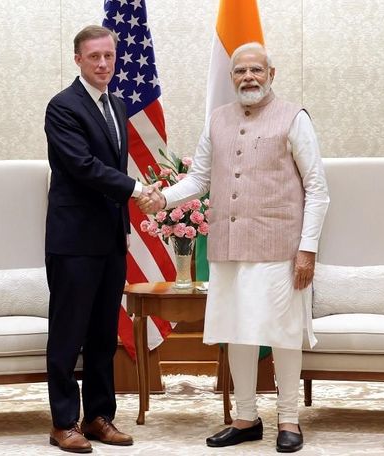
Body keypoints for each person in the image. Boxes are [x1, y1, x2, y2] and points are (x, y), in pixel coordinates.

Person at [137, 42, 329, 453]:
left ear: (271, 74)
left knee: (283, 333)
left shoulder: (294, 117)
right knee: (238, 331)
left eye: (256, 70)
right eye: (241, 71)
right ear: (231, 78)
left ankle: (289, 419)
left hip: (281, 248)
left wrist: (308, 249)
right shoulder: (217, 120)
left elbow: (317, 188)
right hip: (228, 247)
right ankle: (246, 418)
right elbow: (199, 179)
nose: (249, 77)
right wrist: (163, 198)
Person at [44, 25, 154, 453]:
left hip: (110, 238)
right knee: (68, 334)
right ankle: (63, 423)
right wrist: (137, 190)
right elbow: (83, 166)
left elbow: (110, 168)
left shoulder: (117, 104)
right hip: (73, 241)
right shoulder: (63, 106)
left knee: (104, 336)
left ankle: (98, 417)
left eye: (109, 55)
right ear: (78, 60)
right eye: (94, 57)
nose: (104, 64)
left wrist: (128, 208)